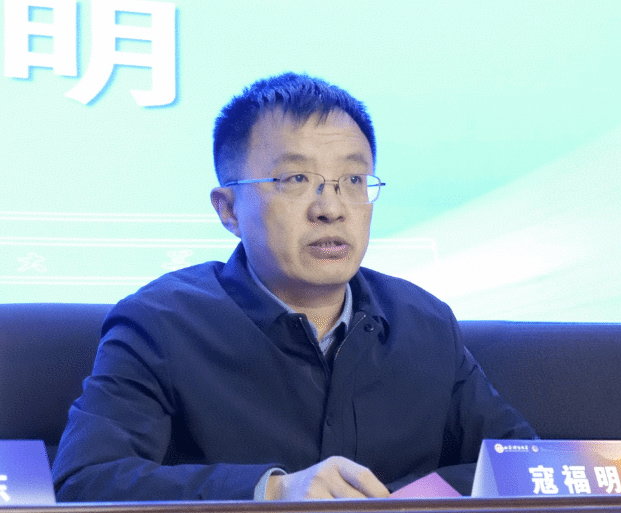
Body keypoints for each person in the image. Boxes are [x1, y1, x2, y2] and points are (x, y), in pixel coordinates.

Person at [52, 72, 537, 502]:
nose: (331, 208)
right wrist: (274, 492)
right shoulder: (161, 323)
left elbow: (526, 466)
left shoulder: (423, 322)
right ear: (228, 210)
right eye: (296, 178)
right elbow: (86, 480)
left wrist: (400, 501)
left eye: (353, 179)